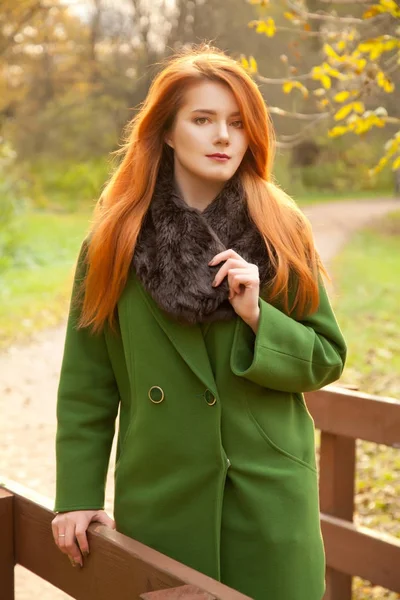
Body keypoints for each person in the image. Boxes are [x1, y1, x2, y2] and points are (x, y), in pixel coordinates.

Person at [51, 44, 347, 600]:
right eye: (203, 119)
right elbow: (88, 386)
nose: (223, 137)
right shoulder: (114, 243)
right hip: (163, 495)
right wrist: (77, 494)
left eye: (237, 122)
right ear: (166, 130)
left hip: (269, 497)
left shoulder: (281, 228)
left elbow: (325, 357)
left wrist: (259, 315)